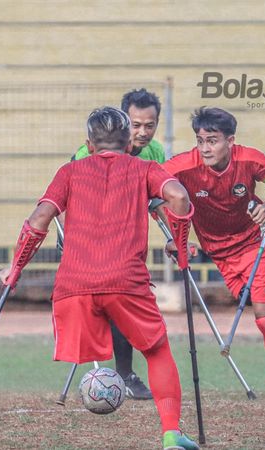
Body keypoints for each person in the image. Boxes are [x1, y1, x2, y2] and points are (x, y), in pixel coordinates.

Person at [0, 106, 199, 449]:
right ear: (127, 141)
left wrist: (15, 268)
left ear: (89, 144)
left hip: (74, 284)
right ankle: (170, 434)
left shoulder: (70, 171)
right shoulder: (145, 168)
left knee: (135, 343)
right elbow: (179, 196)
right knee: (156, 350)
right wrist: (180, 247)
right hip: (127, 281)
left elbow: (39, 219)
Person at [163, 106, 265, 412]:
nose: (205, 148)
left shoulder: (249, 159)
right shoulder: (183, 165)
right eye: (200, 140)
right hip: (219, 254)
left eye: (212, 140)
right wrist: (173, 236)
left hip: (255, 243)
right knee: (249, 302)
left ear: (230, 140)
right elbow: (153, 192)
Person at [64, 88, 165, 400]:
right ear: (123, 122)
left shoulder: (156, 154)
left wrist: (177, 238)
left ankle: (124, 372)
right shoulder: (85, 155)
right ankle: (104, 370)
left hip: (125, 242)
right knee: (106, 302)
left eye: (150, 125)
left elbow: (161, 198)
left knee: (121, 304)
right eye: (135, 125)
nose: (143, 132)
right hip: (85, 238)